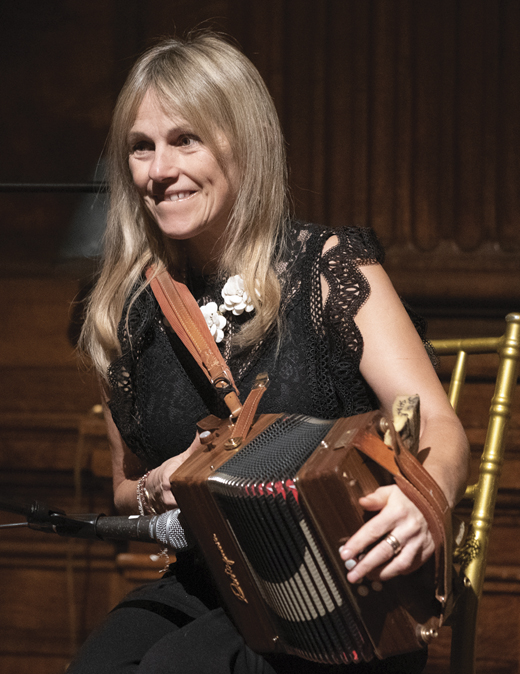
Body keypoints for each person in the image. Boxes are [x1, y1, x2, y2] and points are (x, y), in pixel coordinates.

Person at [72, 32, 469, 674]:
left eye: (185, 140)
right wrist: (154, 487)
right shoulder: (125, 306)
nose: (159, 169)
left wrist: (425, 499)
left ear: (242, 144)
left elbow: (443, 428)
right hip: (211, 582)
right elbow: (124, 487)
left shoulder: (326, 271)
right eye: (140, 148)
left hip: (344, 591)